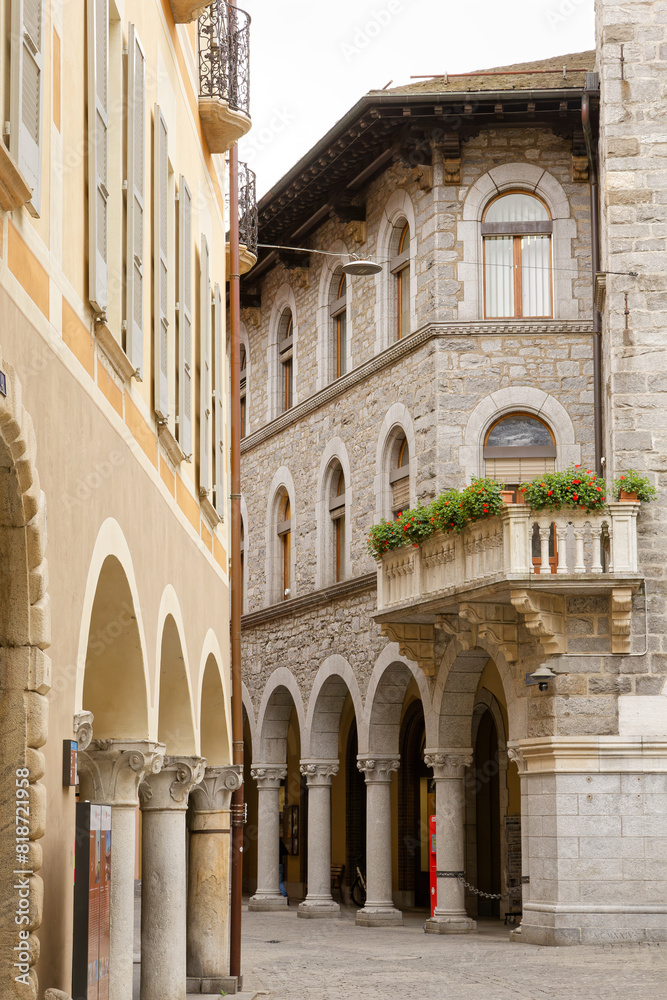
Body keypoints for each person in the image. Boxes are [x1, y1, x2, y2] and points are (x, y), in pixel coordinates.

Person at [279, 836, 289, 904]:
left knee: (278, 881)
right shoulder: (280, 842)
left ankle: (284, 895)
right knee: (280, 881)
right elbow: (285, 852)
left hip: (273, 865)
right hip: (280, 863)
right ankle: (285, 895)